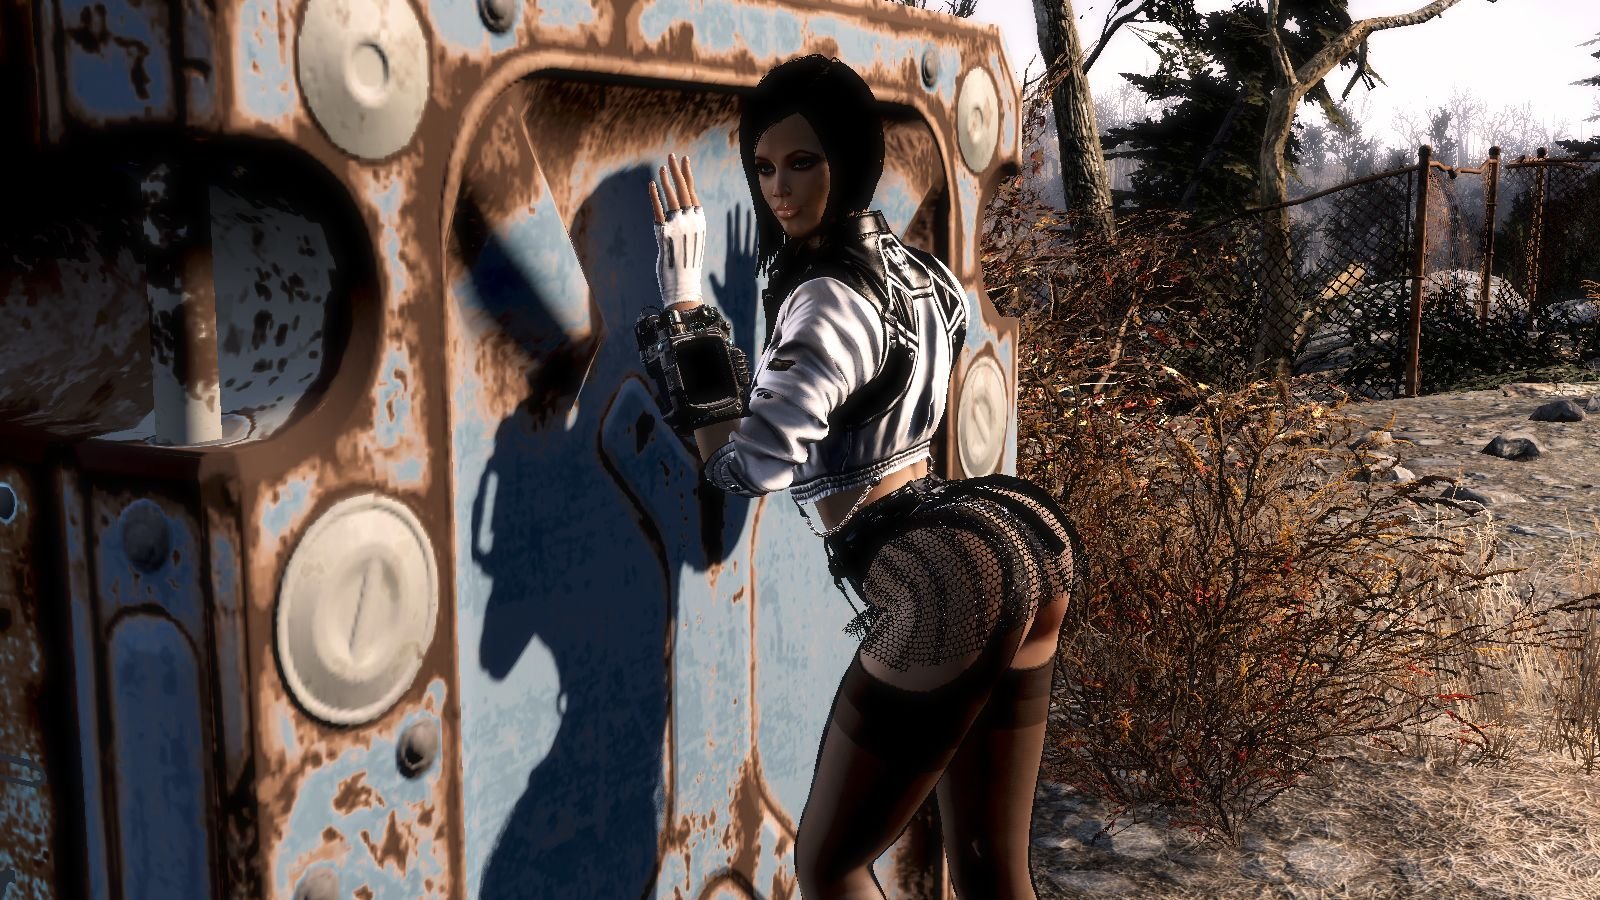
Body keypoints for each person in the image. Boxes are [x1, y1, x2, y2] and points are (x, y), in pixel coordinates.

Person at [634, 55, 1084, 899]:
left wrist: (688, 308)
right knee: (989, 862)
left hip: (937, 574)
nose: (779, 189)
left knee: (831, 863)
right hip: (1016, 530)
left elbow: (748, 464)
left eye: (802, 162)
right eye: (764, 167)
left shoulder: (826, 300)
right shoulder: (925, 275)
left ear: (848, 160)